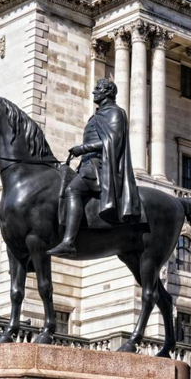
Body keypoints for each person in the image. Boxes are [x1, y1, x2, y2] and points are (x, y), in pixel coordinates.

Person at [48, 78, 141, 257]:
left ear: (107, 92)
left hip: (101, 165)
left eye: (98, 89)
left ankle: (69, 242)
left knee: (72, 190)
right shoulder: (97, 115)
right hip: (87, 164)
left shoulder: (115, 113)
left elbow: (113, 142)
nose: (94, 92)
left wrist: (83, 148)